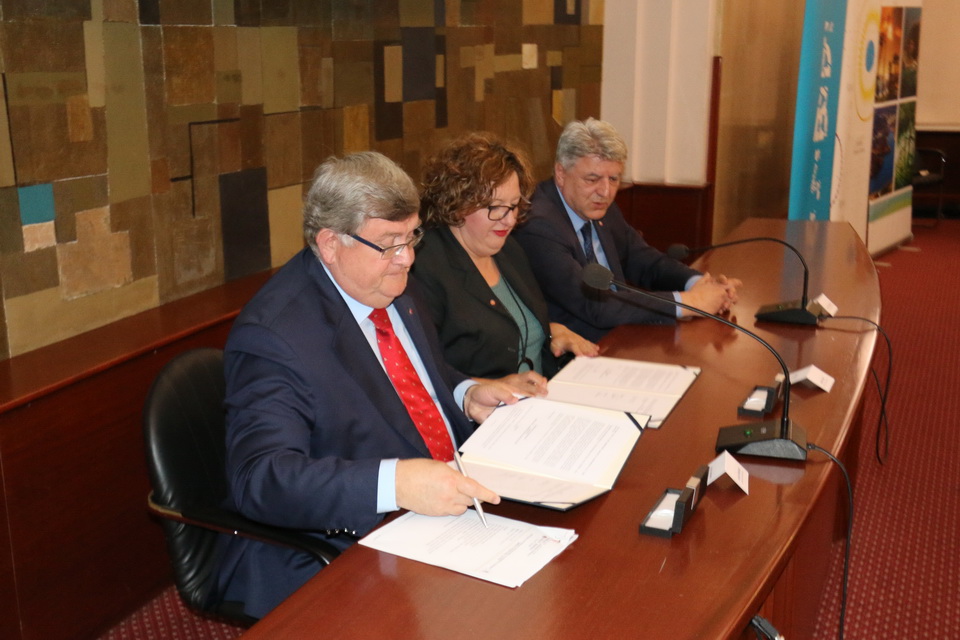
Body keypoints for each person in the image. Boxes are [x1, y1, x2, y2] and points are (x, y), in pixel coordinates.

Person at [214, 151, 527, 618]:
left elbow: (413, 376)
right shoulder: (274, 336)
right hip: (336, 543)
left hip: (444, 506)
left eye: (412, 236)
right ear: (330, 243)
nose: (408, 258)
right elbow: (261, 478)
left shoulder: (385, 280)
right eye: (389, 243)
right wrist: (394, 483)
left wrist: (464, 392)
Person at [513, 118, 741, 343]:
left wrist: (698, 284)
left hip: (624, 334)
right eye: (592, 179)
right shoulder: (539, 225)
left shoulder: (599, 207)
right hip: (578, 351)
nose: (605, 192)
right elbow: (594, 305)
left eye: (614, 179)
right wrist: (690, 302)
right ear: (561, 174)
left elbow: (644, 261)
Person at [412, 132, 598, 380]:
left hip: (543, 391)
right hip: (486, 404)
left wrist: (550, 331)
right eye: (496, 207)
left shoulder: (508, 249)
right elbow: (423, 372)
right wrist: (487, 387)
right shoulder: (424, 266)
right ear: (457, 203)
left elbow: (513, 323)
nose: (509, 220)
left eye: (513, 206)